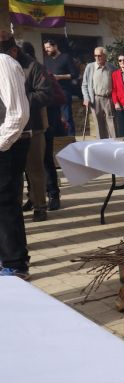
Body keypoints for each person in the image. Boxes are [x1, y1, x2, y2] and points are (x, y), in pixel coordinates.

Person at [1, 32, 53, 223]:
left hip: (33, 127)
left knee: (34, 169)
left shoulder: (33, 66)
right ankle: (23, 202)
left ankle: (40, 205)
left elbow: (46, 94)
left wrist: (17, 100)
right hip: (8, 128)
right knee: (15, 172)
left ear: (14, 51)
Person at [0, 47, 31, 279]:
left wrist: (0, 144)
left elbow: (18, 113)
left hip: (6, 146)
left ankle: (15, 264)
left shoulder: (4, 63)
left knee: (5, 204)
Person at [22, 41, 65, 211]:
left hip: (44, 124)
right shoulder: (18, 71)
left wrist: (30, 99)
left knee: (45, 162)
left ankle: (53, 194)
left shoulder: (40, 70)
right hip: (25, 126)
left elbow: (59, 97)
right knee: (29, 165)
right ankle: (33, 197)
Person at [43, 39, 78, 136]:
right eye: (45, 48)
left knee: (67, 117)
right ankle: (59, 140)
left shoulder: (66, 57)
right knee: (54, 119)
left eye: (48, 47)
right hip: (51, 93)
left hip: (64, 92)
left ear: (55, 46)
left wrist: (60, 77)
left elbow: (75, 74)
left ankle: (71, 140)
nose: (47, 50)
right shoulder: (46, 60)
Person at [81, 47, 116, 139]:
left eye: (99, 55)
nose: (97, 58)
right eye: (95, 55)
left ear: (105, 56)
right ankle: (101, 145)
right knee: (98, 124)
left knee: (112, 123)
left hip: (109, 98)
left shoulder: (111, 67)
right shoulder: (90, 67)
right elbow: (84, 85)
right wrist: (86, 98)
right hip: (95, 99)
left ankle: (114, 144)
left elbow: (120, 76)